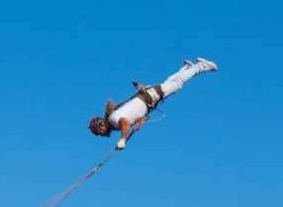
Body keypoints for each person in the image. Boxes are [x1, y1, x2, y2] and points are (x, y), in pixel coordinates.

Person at [88, 58, 218, 149]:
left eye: (99, 133)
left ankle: (201, 66)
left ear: (101, 126)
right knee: (168, 84)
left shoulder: (114, 120)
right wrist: (141, 122)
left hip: (150, 96)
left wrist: (122, 140)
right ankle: (186, 68)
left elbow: (126, 123)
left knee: (177, 85)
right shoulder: (114, 122)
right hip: (149, 97)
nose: (102, 135)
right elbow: (133, 114)